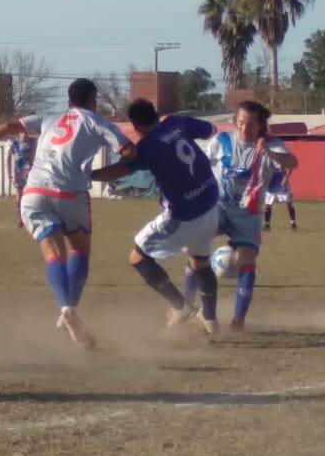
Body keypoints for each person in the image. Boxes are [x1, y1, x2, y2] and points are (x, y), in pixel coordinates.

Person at [0, 79, 132, 348]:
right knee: (80, 251)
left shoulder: (49, 118)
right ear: (93, 100)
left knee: (53, 255)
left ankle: (66, 308)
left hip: (34, 194)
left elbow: (11, 126)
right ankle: (70, 308)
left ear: (69, 101)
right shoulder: (99, 123)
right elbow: (130, 152)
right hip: (72, 195)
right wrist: (103, 174)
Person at [91, 99, 220, 331]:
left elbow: (118, 171)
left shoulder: (146, 147)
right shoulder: (177, 122)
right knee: (199, 262)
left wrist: (87, 176)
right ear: (158, 114)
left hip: (182, 213)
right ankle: (210, 319)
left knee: (137, 258)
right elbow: (211, 130)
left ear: (135, 126)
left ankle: (180, 306)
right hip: (210, 203)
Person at [204, 101, 298, 333]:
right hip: (218, 206)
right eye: (240, 123)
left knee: (247, 259)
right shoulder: (221, 141)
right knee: (195, 251)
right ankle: (194, 311)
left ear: (260, 125)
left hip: (247, 213)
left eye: (250, 124)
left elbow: (293, 162)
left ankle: (238, 321)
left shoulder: (271, 144)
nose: (244, 129)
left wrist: (270, 153)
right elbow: (201, 164)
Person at [7, 129, 34, 227]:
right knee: (19, 194)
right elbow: (8, 158)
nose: (25, 134)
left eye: (26, 132)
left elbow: (34, 156)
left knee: (31, 194)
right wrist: (9, 173)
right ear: (19, 133)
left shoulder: (32, 142)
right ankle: (20, 218)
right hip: (18, 172)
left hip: (30, 172)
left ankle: (29, 216)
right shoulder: (14, 144)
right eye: (22, 132)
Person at [263, 164, 298, 232]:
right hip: (271, 183)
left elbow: (290, 167)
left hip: (282, 184)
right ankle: (267, 225)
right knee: (268, 204)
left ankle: (293, 224)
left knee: (289, 203)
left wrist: (285, 179)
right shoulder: (268, 158)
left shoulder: (282, 157)